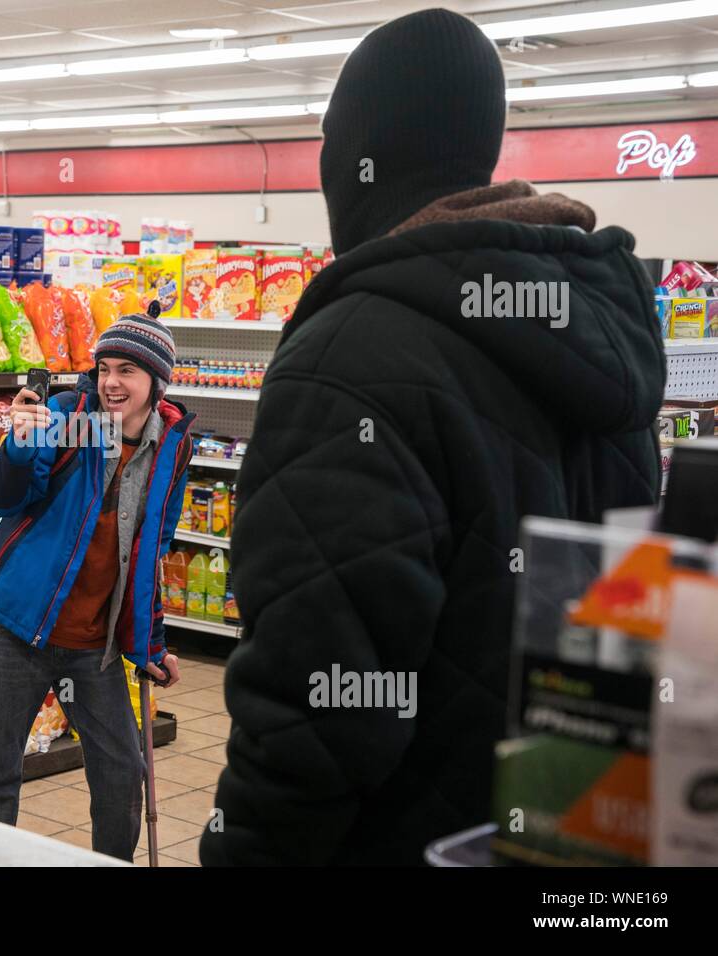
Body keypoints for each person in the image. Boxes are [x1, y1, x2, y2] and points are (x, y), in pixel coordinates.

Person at [200, 8, 666, 865]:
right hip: (570, 836)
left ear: (357, 157)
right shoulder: (601, 332)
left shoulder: (348, 356)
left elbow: (319, 704)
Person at [0, 306, 196, 860]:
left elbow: (151, 552)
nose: (111, 382)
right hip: (15, 631)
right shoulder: (69, 418)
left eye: (127, 371)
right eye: (104, 368)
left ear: (156, 380)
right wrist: (18, 445)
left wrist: (151, 642)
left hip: (94, 647)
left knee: (121, 778)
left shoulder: (173, 446)